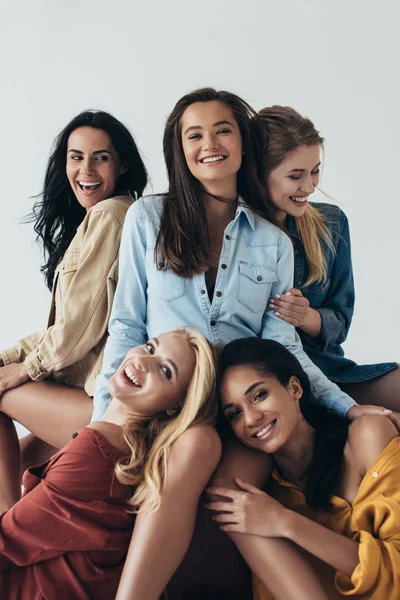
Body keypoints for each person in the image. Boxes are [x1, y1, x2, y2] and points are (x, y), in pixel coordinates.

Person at [95, 88, 388, 600]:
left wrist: (349, 409)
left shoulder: (272, 243)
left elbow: (285, 346)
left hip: (232, 407)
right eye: (194, 134)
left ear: (243, 142)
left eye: (223, 129)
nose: (210, 144)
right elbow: (125, 325)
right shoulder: (146, 220)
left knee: (233, 491)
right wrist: (108, 419)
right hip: (162, 398)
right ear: (179, 149)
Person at [0, 329, 220, 600]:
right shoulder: (126, 456)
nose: (143, 360)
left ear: (175, 406)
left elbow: (6, 543)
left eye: (165, 371)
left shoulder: (97, 452)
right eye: (150, 348)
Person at [0, 110, 148, 514]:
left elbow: (79, 325)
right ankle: (16, 512)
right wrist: (10, 357)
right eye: (76, 156)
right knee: (29, 453)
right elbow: (69, 322)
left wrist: (26, 370)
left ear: (123, 165)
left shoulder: (110, 215)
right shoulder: (118, 214)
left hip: (102, 405)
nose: (85, 169)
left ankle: (4, 526)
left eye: (100, 157)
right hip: (98, 397)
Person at [207, 336, 400, 599]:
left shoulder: (366, 437)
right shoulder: (258, 497)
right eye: (235, 414)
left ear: (295, 388)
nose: (251, 419)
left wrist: (285, 522)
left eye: (259, 395)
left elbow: (396, 569)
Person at [258, 105, 399, 409]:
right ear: (257, 173)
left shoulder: (331, 223)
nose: (309, 186)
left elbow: (341, 319)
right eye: (295, 175)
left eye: (315, 171)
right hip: (269, 385)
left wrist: (307, 317)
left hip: (330, 370)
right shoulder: (239, 235)